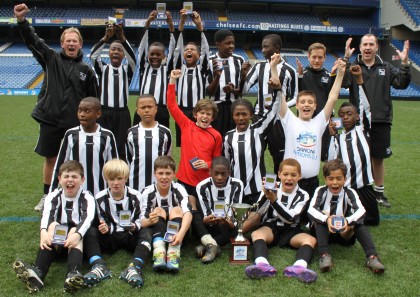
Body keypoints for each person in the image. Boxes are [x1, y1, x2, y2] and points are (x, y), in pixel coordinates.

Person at [14, 4, 99, 212]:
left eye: (75, 41)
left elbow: (93, 99)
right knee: (51, 158)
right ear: (62, 43)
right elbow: (33, 41)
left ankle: (79, 195)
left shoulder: (86, 70)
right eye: (67, 40)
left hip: (74, 123)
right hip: (50, 119)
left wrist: (90, 121)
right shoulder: (51, 58)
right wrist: (22, 21)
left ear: (80, 44)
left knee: (75, 161)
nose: (71, 44)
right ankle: (47, 195)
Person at [342, 36, 411, 208]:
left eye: (371, 44)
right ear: (360, 47)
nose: (367, 47)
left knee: (378, 158)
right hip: (358, 121)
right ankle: (355, 190)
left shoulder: (386, 67)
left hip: (381, 119)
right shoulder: (353, 67)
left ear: (376, 47)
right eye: (364, 44)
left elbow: (401, 84)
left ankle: (379, 193)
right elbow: (343, 83)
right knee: (355, 157)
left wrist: (405, 64)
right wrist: (345, 60)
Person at [13, 161, 96, 293]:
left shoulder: (87, 197)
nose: (70, 180)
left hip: (77, 245)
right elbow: (47, 215)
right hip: (56, 244)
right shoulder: (53, 196)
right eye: (66, 176)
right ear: (59, 179)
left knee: (75, 229)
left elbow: (87, 219)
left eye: (74, 177)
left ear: (82, 180)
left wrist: (77, 235)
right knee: (53, 225)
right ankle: (38, 273)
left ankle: (73, 273)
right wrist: (43, 232)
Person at [278, 57, 346, 199]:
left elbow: (332, 98)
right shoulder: (289, 120)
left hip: (311, 182)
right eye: (302, 102)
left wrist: (340, 74)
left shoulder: (319, 122)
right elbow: (279, 96)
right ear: (296, 105)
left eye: (310, 102)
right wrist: (273, 68)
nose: (306, 105)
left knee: (310, 218)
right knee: (289, 218)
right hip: (291, 181)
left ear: (315, 106)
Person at [245, 159, 317, 283]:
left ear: (299, 176)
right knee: (256, 234)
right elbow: (258, 210)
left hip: (292, 229)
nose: (289, 178)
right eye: (285, 174)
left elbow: (291, 219)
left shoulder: (303, 194)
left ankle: (299, 267)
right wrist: (265, 196)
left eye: (293, 175)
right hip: (272, 226)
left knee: (311, 240)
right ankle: (262, 265)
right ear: (279, 174)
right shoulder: (271, 188)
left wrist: (274, 201)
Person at [307, 159, 386, 274]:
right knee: (319, 220)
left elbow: (361, 210)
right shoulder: (320, 191)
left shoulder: (350, 192)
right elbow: (311, 210)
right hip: (324, 232)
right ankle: (324, 255)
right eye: (331, 178)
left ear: (345, 179)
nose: (335, 182)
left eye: (339, 178)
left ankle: (372, 257)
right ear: (325, 179)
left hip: (344, 233)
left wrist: (347, 220)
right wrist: (327, 219)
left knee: (359, 224)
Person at [83, 159, 152, 289]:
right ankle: (98, 265)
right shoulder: (99, 197)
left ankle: (134, 267)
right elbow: (103, 219)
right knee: (90, 232)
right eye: (112, 179)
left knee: (147, 233)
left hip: (130, 235)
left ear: (126, 178)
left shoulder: (136, 195)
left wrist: (134, 226)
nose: (115, 183)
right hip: (111, 236)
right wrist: (105, 228)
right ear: (106, 179)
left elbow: (139, 218)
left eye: (119, 178)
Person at [223, 54, 281, 204]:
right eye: (237, 115)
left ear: (251, 115)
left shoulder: (259, 130)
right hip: (235, 188)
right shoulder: (228, 137)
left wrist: (278, 90)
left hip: (256, 189)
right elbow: (227, 162)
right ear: (233, 116)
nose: (241, 118)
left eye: (244, 114)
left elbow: (273, 111)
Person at [328, 68, 380, 226]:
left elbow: (367, 106)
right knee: (343, 220)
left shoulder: (363, 130)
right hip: (345, 188)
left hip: (364, 186)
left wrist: (359, 80)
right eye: (342, 114)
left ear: (357, 116)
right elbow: (331, 160)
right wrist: (331, 136)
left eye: (349, 113)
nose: (345, 117)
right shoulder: (337, 138)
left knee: (372, 221)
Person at [242, 34, 298, 175]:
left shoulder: (290, 71)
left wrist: (281, 107)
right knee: (255, 156)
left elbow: (296, 97)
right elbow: (244, 90)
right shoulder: (259, 67)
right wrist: (243, 76)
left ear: (277, 48)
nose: (262, 50)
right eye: (262, 47)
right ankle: (258, 188)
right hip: (258, 118)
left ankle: (278, 191)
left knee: (279, 159)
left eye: (266, 47)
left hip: (278, 122)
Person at [167, 69, 222, 199]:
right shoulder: (186, 125)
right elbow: (172, 105)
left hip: (204, 182)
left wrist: (207, 164)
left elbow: (217, 161)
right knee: (184, 213)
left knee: (201, 215)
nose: (204, 116)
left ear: (212, 118)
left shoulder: (216, 135)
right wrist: (172, 80)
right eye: (202, 113)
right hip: (184, 181)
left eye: (208, 114)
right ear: (195, 114)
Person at [50, 97, 118, 197]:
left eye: (87, 111)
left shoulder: (107, 136)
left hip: (100, 193)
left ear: (98, 114)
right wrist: (51, 194)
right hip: (75, 193)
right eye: (79, 110)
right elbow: (59, 165)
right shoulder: (71, 135)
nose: (82, 114)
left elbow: (114, 167)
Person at [90, 22, 136, 161]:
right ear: (109, 53)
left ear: (123, 55)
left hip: (122, 114)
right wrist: (105, 38)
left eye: (119, 50)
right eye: (113, 49)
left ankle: (122, 177)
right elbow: (93, 56)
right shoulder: (103, 69)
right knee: (104, 145)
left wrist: (122, 38)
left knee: (122, 147)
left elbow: (133, 59)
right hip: (104, 112)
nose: (116, 52)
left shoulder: (127, 70)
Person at [140, 156, 192, 272]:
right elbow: (142, 222)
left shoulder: (179, 188)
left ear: (174, 174)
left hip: (178, 234)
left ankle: (173, 253)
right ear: (154, 173)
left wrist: (181, 234)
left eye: (168, 173)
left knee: (177, 210)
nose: (164, 177)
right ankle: (159, 253)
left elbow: (188, 214)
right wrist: (149, 220)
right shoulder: (147, 192)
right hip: (157, 231)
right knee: (158, 210)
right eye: (160, 173)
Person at [193, 156, 244, 263]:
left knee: (242, 223)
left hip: (227, 225)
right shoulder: (202, 186)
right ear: (210, 171)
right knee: (193, 212)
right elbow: (206, 212)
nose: (219, 177)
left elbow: (235, 211)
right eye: (216, 173)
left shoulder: (237, 184)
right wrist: (208, 219)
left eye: (223, 174)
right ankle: (212, 244)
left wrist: (230, 222)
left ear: (229, 172)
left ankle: (209, 245)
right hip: (209, 226)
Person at [133, 10, 175, 128]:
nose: (155, 57)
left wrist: (171, 26)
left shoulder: (167, 69)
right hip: (142, 108)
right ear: (148, 56)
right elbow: (142, 47)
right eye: (152, 54)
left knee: (162, 141)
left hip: (160, 110)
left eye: (158, 54)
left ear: (164, 56)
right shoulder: (144, 67)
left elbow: (173, 48)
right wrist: (147, 24)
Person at [173, 9, 210, 147]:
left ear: (198, 55)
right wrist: (181, 24)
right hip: (182, 112)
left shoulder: (202, 69)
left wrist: (200, 28)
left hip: (198, 112)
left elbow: (206, 50)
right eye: (187, 49)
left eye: (193, 49)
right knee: (185, 144)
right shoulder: (179, 69)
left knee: (198, 143)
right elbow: (177, 49)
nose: (189, 51)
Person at [296, 42, 337, 162]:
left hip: (323, 123)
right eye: (314, 57)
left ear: (325, 58)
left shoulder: (329, 76)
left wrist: (334, 75)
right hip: (305, 123)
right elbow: (296, 96)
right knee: (304, 154)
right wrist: (298, 77)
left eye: (320, 57)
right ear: (308, 57)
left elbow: (333, 97)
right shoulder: (301, 75)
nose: (317, 60)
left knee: (324, 156)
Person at [206, 29, 249, 137]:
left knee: (234, 139)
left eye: (233, 43)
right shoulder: (210, 61)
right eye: (227, 43)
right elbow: (209, 92)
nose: (231, 46)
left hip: (235, 107)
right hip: (216, 108)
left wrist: (242, 78)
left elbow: (244, 91)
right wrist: (217, 77)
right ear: (218, 44)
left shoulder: (239, 60)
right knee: (217, 140)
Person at [126, 95, 172, 192]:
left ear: (156, 109)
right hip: (136, 182)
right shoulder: (131, 132)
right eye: (143, 107)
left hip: (159, 183)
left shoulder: (165, 132)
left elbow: (167, 156)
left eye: (150, 107)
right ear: (137, 111)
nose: (146, 110)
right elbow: (129, 158)